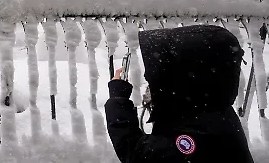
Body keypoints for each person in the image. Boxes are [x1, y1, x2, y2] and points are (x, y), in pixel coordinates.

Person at [105, 24, 254, 162]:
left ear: (187, 76)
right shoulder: (207, 109)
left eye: (162, 69)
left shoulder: (198, 135)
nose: (147, 77)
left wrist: (118, 100)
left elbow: (137, 152)